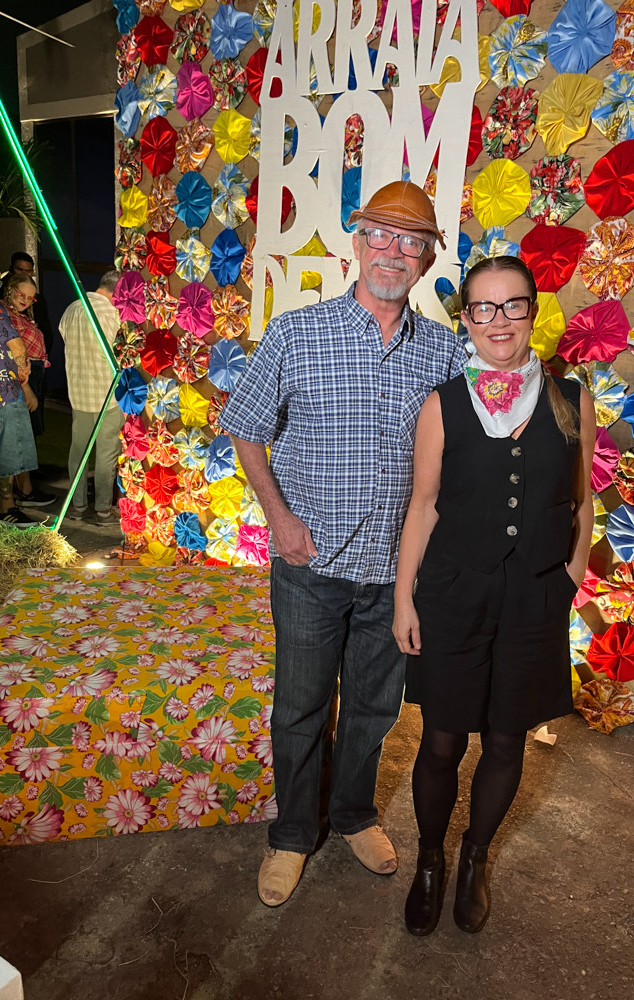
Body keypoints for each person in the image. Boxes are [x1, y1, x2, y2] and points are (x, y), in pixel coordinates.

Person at [220, 180, 465, 907]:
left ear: (426, 259)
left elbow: (460, 456)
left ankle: (353, 815)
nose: (393, 251)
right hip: (310, 565)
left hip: (394, 574)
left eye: (410, 241)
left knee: (372, 708)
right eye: (380, 235)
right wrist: (279, 519)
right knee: (300, 707)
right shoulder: (298, 333)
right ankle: (294, 833)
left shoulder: (445, 353)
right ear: (357, 244)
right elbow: (245, 428)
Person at [392, 256, 595, 936]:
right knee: (442, 740)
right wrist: (404, 599)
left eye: (513, 305)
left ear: (533, 311)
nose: (499, 320)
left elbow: (582, 501)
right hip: (453, 595)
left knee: (507, 740)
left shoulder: (571, 397)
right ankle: (430, 859)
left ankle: (475, 856)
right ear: (468, 319)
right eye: (484, 307)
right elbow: (423, 506)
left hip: (535, 599)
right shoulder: (442, 404)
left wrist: (569, 579)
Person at [58, 270, 124, 525]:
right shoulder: (113, 313)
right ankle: (103, 510)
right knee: (106, 455)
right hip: (108, 395)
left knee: (79, 452)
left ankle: (78, 505)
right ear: (117, 292)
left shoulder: (72, 308)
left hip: (78, 393)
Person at [0, 273, 55, 507]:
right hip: (19, 379)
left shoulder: (19, 315)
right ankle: (18, 495)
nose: (25, 300)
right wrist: (26, 387)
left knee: (25, 434)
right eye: (21, 294)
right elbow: (15, 351)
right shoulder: (4, 314)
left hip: (30, 375)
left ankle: (22, 491)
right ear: (10, 289)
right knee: (17, 438)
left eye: (30, 298)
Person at [0, 300, 38, 526]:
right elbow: (18, 347)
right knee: (9, 452)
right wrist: (23, 375)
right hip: (5, 393)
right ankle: (6, 508)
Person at [0, 252, 54, 355]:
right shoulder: (1, 305)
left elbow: (46, 334)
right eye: (19, 269)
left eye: (28, 271)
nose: (24, 274)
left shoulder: (38, 302)